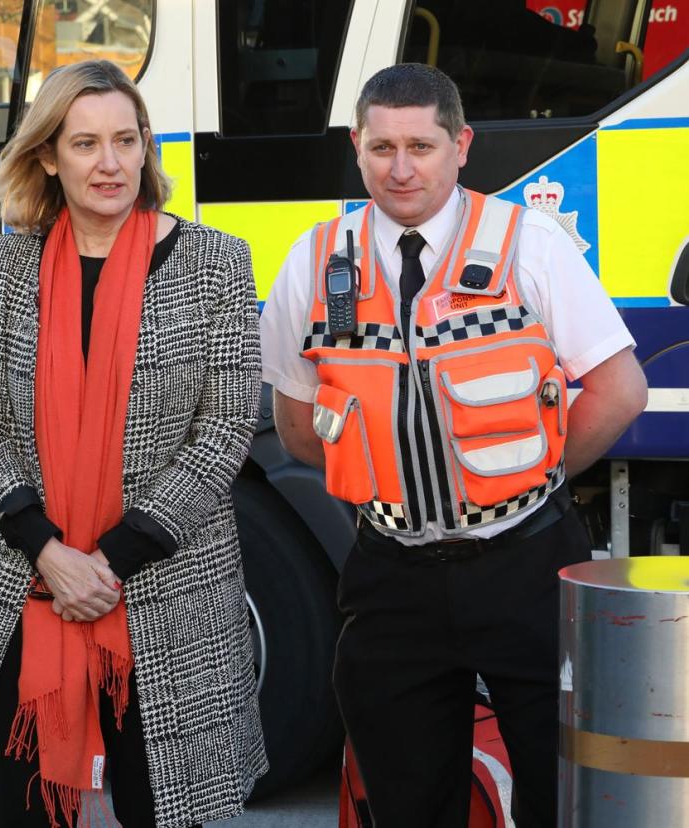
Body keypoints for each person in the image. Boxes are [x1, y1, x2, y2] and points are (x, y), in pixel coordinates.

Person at [260, 63, 647, 827]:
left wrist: (528, 479)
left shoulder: (527, 243)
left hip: (525, 562)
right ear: (357, 146)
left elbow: (619, 389)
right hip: (389, 579)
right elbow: (298, 423)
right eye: (381, 148)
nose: (401, 169)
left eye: (422, 146)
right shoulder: (314, 259)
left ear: (461, 145)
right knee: (407, 804)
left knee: (560, 796)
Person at [0, 60, 266, 828]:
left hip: (166, 589)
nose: (111, 163)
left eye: (127, 140)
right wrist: (51, 555)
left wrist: (107, 562)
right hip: (31, 585)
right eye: (86, 144)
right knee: (24, 813)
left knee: (167, 810)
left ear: (147, 148)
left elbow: (224, 429)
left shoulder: (215, 262)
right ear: (49, 156)